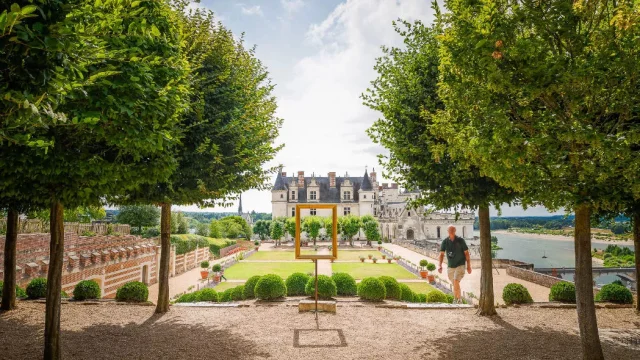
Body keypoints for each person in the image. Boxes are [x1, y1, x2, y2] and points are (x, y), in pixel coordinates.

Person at [438, 225, 471, 304]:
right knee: (455, 284)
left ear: (455, 231)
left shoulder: (460, 240)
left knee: (456, 281)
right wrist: (440, 265)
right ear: (448, 231)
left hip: (460, 265)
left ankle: (458, 299)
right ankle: (456, 300)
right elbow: (441, 254)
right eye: (450, 230)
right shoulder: (445, 242)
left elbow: (466, 253)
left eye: (452, 230)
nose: (451, 232)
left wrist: (469, 266)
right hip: (450, 266)